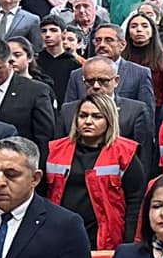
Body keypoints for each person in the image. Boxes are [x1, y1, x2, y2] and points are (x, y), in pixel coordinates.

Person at [45, 95, 147, 249]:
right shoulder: (54, 150)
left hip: (106, 238)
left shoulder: (125, 153)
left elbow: (135, 201)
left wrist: (129, 242)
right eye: (83, 116)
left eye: (97, 117)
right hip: (59, 234)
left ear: (109, 119)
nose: (88, 121)